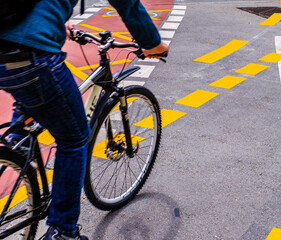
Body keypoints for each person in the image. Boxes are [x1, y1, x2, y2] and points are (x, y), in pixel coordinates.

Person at [0, 0, 169, 239]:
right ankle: (63, 231)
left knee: (31, 93)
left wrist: (57, 20)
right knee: (74, 139)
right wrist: (152, 43)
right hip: (33, 57)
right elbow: (127, 3)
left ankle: (19, 146)